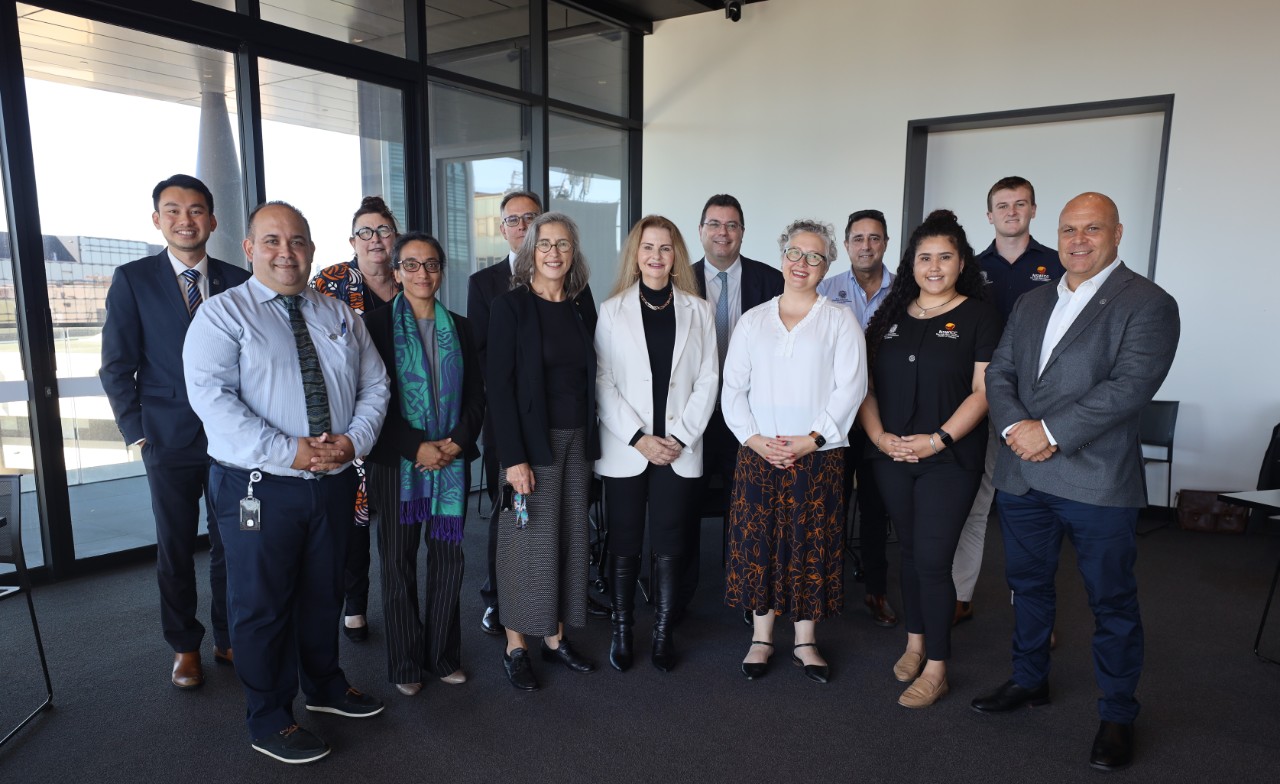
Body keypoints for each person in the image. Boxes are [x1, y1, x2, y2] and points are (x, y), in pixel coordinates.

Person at [971, 192, 1180, 772]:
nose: (1078, 240)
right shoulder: (1034, 300)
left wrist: (1052, 433)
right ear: (1055, 235)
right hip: (1023, 474)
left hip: (1094, 480)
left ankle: (1117, 712)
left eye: (1092, 229)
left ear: (1118, 233)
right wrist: (1017, 427)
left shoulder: (1148, 302)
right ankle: (1029, 680)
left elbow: (1130, 387)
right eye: (1068, 230)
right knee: (1028, 586)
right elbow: (1003, 371)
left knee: (1110, 601)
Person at [184, 201, 390, 764]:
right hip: (261, 486)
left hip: (335, 479)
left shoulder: (339, 314)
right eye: (272, 241)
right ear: (249, 249)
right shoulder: (223, 315)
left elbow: (376, 385)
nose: (286, 252)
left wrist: (352, 441)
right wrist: (291, 451)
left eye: (297, 241)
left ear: (312, 250)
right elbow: (213, 400)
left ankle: (324, 686)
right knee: (262, 603)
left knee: (323, 592)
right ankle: (269, 716)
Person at [100, 174, 251, 690]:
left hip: (235, 438)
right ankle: (185, 645)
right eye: (173, 210)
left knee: (235, 541)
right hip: (167, 439)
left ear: (212, 219)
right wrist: (138, 432)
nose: (185, 220)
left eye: (195, 210)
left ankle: (230, 636)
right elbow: (116, 366)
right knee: (176, 545)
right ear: (157, 220)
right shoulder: (132, 280)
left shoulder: (240, 279)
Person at [858, 210, 1002, 708]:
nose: (934, 267)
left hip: (950, 458)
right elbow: (866, 389)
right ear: (911, 264)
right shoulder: (890, 318)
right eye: (924, 258)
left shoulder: (981, 317)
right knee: (912, 555)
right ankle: (915, 642)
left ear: (961, 262)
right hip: (891, 456)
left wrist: (937, 439)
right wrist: (878, 438)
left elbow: (983, 393)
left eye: (945, 257)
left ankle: (938, 666)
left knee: (936, 561)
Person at [723, 219, 866, 684]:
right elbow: (732, 390)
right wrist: (753, 438)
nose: (802, 263)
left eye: (815, 256)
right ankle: (761, 637)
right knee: (759, 543)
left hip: (818, 455)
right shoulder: (752, 320)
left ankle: (806, 640)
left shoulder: (840, 319)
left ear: (829, 265)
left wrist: (813, 439)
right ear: (782, 255)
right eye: (795, 253)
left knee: (810, 544)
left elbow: (852, 387)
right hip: (758, 452)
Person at [468, 190, 607, 635]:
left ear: (574, 252)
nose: (554, 252)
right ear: (530, 250)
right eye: (545, 244)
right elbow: (501, 388)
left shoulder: (582, 303)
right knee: (526, 543)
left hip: (577, 441)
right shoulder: (511, 306)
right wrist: (513, 459)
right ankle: (516, 644)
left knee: (568, 542)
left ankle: (554, 635)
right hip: (533, 443)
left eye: (563, 244)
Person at [595, 215, 718, 672]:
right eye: (648, 247)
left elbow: (709, 380)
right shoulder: (612, 310)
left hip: (680, 448)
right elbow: (603, 382)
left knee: (670, 543)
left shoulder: (699, 310)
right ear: (636, 253)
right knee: (625, 541)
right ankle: (623, 629)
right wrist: (638, 438)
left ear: (676, 256)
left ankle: (664, 632)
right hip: (628, 448)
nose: (656, 256)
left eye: (665, 248)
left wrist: (680, 436)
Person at [364, 232, 485, 696]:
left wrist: (455, 442)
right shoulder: (372, 326)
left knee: (448, 563)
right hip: (399, 465)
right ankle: (406, 663)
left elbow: (477, 395)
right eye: (411, 265)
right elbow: (371, 401)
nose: (422, 274)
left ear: (441, 271)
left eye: (431, 264)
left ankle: (442, 654)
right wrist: (416, 446)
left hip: (451, 465)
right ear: (395, 272)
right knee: (397, 565)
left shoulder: (462, 326)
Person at [953, 177, 1066, 626]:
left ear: (1034, 210)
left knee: (1035, 516)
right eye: (1003, 205)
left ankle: (1033, 610)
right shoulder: (969, 269)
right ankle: (961, 596)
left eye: (1021, 204)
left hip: (1037, 410)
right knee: (974, 505)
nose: (1012, 212)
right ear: (989, 215)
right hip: (980, 403)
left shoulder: (1058, 265)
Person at [688, 193, 784, 618]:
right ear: (701, 230)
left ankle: (745, 590)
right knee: (687, 503)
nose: (722, 232)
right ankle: (683, 595)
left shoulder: (770, 281)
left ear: (742, 232)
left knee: (747, 507)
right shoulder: (679, 280)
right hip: (694, 416)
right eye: (714, 224)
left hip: (751, 416)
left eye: (731, 225)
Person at [311, 195, 402, 642]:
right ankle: (355, 604)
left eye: (383, 230)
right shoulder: (330, 281)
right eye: (365, 232)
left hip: (404, 411)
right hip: (352, 413)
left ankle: (402, 601)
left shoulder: (410, 279)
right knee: (355, 515)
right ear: (353, 240)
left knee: (400, 516)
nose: (375, 240)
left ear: (395, 236)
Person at [817, 209, 898, 628]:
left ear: (885, 243)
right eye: (858, 238)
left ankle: (875, 590)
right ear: (846, 245)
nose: (866, 246)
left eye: (875, 238)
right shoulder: (825, 290)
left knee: (875, 505)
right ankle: (825, 589)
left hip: (886, 415)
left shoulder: (905, 292)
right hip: (836, 416)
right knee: (832, 503)